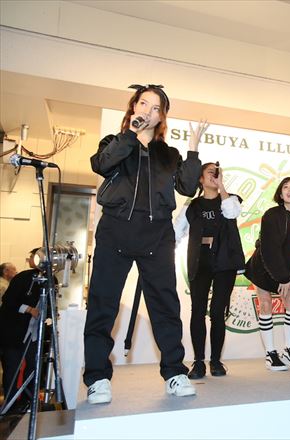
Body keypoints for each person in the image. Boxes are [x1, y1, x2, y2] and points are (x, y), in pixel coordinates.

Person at [84, 84, 205, 404]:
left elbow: (187, 187)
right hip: (115, 231)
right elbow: (102, 164)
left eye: (155, 108)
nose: (148, 111)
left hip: (157, 235)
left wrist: (193, 151)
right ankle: (97, 378)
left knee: (165, 307)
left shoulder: (169, 154)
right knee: (102, 305)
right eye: (143, 104)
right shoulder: (115, 142)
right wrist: (130, 135)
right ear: (133, 107)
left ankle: (175, 372)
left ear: (162, 116)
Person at [174, 162, 245, 379]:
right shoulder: (192, 205)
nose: (214, 174)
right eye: (210, 172)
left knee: (217, 312)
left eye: (217, 172)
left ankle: (215, 361)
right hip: (200, 259)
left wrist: (221, 186)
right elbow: (177, 231)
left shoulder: (230, 199)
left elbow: (231, 213)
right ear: (200, 179)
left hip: (225, 260)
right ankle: (198, 362)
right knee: (197, 311)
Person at [244, 177, 290, 371]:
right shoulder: (271, 215)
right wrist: (283, 278)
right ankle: (270, 354)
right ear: (280, 193)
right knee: (265, 304)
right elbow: (270, 250)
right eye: (286, 187)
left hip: (288, 273)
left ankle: (288, 350)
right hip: (263, 266)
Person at [0, 250, 42, 410]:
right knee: (12, 368)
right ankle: (10, 405)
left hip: (33, 333)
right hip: (13, 332)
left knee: (32, 366)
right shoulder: (23, 277)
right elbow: (8, 301)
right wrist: (29, 309)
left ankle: (27, 401)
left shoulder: (51, 280)